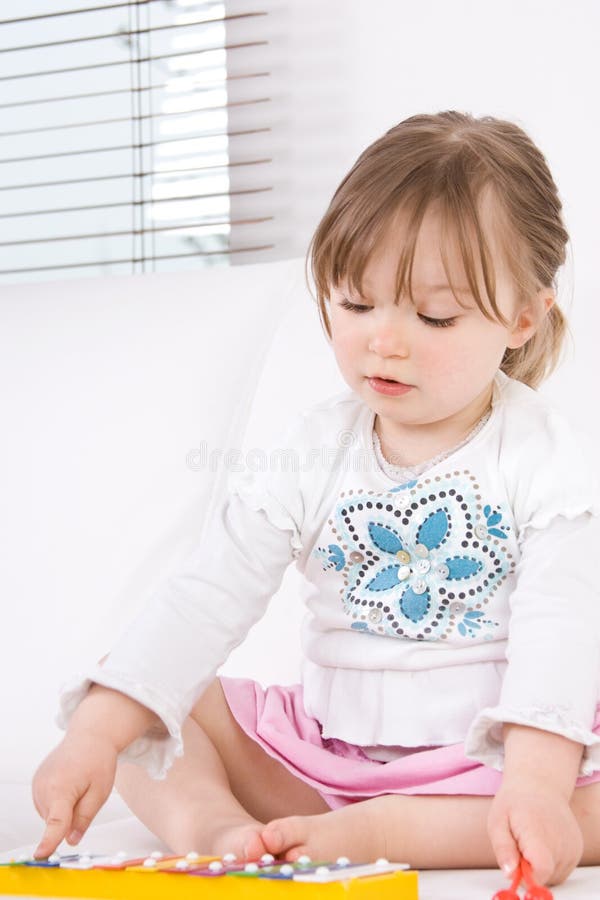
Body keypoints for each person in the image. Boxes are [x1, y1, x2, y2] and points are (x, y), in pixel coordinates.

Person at [32, 111, 600, 888]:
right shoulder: (310, 450)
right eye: (354, 303)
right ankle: (219, 829)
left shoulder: (539, 455)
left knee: (570, 807)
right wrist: (96, 733)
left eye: (433, 316)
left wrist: (536, 782)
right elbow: (205, 595)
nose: (384, 342)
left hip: (494, 769)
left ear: (523, 317)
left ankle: (384, 830)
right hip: (325, 760)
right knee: (142, 701)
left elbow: (561, 630)